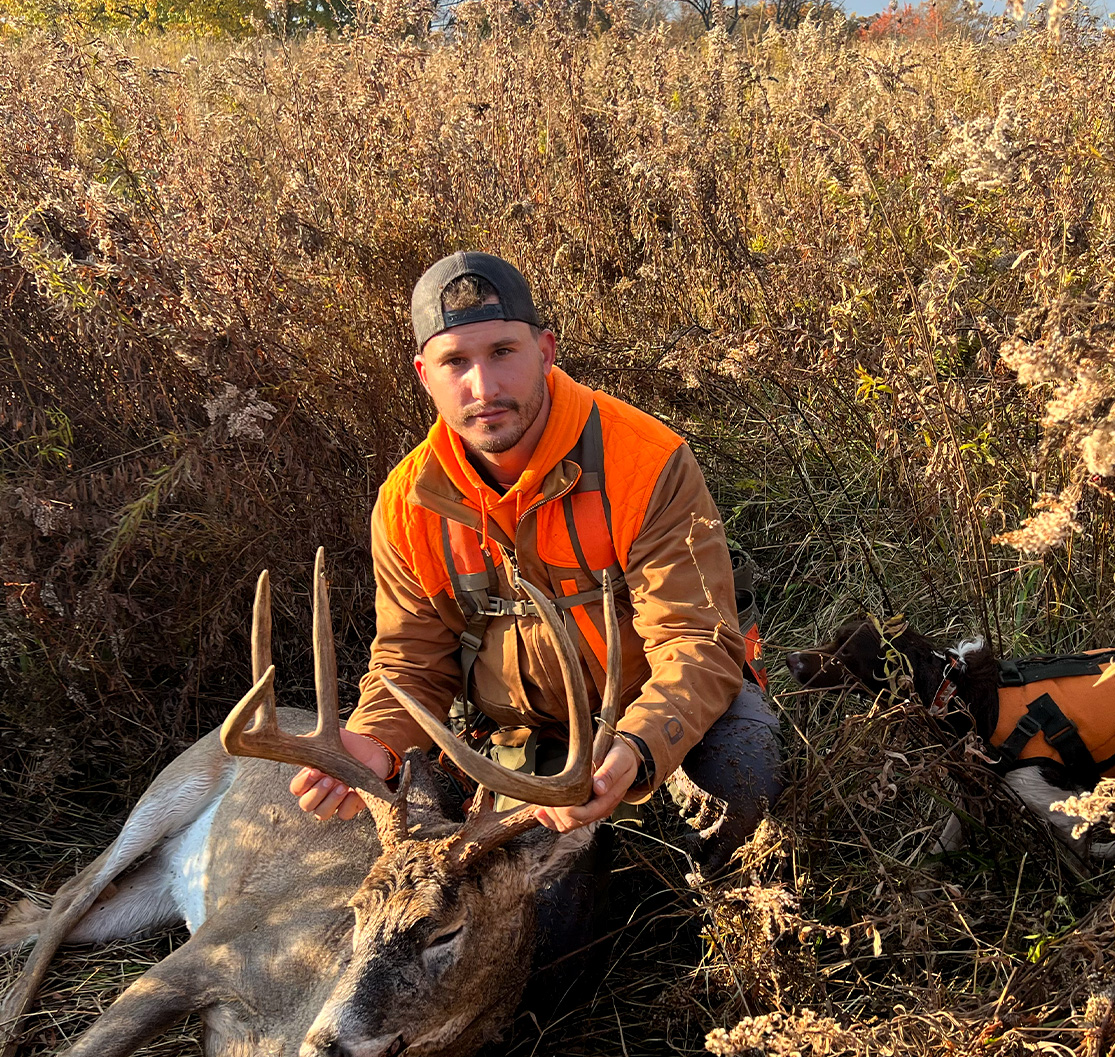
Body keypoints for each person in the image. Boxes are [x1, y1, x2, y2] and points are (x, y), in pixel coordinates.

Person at [290, 251, 781, 874]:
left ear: (546, 351)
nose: (483, 388)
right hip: (524, 742)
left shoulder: (645, 463)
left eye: (503, 352)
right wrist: (375, 743)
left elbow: (696, 641)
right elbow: (410, 665)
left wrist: (636, 748)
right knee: (525, 917)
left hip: (662, 715)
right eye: (455, 362)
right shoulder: (408, 502)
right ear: (423, 373)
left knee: (745, 780)